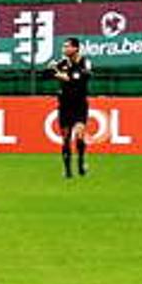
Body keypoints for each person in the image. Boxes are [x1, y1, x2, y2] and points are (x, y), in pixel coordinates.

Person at [48, 37, 93, 179]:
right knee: (66, 137)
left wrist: (63, 76)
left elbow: (80, 77)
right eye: (64, 47)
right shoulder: (61, 63)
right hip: (65, 105)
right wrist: (51, 69)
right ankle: (67, 170)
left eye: (67, 47)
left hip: (79, 104)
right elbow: (48, 74)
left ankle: (81, 162)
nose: (64, 49)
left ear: (76, 48)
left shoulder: (85, 62)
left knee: (79, 135)